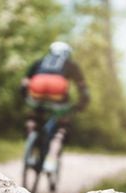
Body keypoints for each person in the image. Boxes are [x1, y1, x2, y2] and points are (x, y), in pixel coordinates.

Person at [20, 41, 89, 172]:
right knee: (62, 126)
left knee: (33, 117)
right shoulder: (70, 64)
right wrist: (80, 105)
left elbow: (24, 83)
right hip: (57, 94)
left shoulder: (40, 62)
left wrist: (26, 99)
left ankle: (31, 138)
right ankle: (51, 159)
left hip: (37, 91)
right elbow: (82, 88)